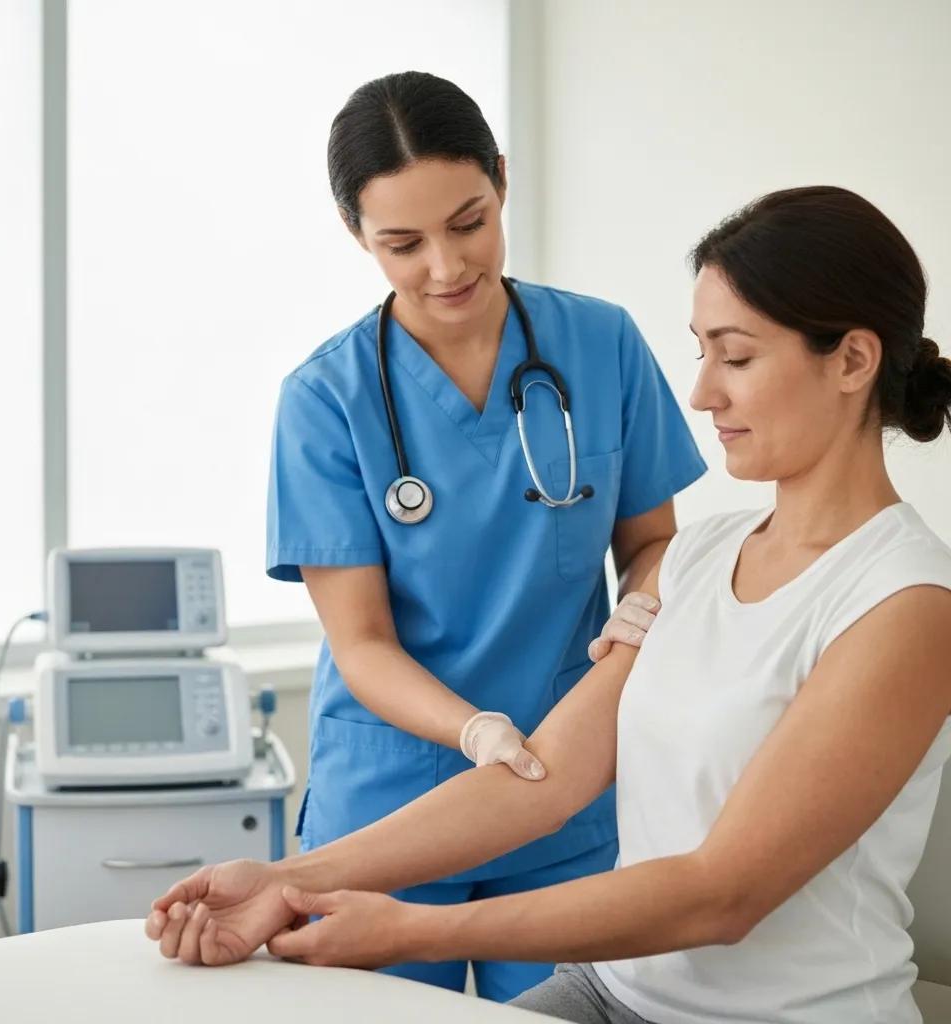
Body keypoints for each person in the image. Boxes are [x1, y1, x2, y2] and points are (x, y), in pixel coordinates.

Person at [148, 186, 951, 1024]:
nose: (702, 393)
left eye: (736, 357)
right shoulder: (701, 556)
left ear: (853, 361)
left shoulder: (903, 604)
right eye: (700, 353)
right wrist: (286, 878)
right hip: (614, 990)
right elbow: (548, 777)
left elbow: (723, 894)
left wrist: (412, 930)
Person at [260, 71, 706, 1001]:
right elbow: (363, 642)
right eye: (401, 243)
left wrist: (646, 612)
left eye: (469, 223)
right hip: (390, 805)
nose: (445, 266)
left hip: (560, 789)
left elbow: (653, 546)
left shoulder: (602, 344)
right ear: (356, 234)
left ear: (501, 180)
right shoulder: (325, 400)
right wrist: (472, 730)